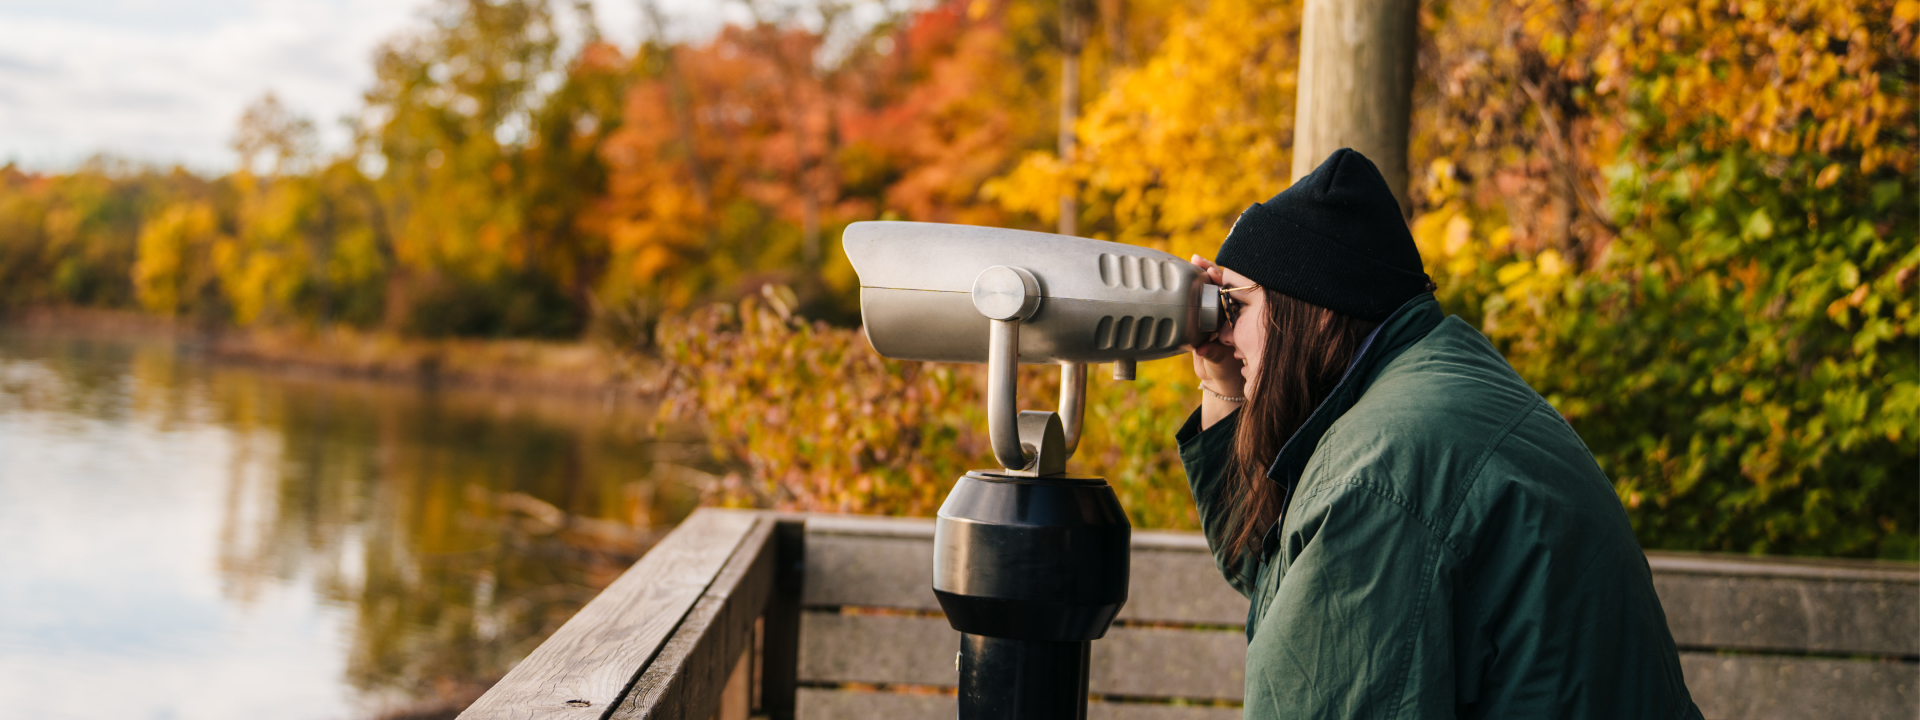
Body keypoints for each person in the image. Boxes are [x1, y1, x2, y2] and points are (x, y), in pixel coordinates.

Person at [1178, 148, 1703, 719]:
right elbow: (1276, 568)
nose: (1223, 331)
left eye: (1237, 304)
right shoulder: (1437, 386)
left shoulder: (1378, 475)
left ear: (1318, 309)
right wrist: (1224, 385)